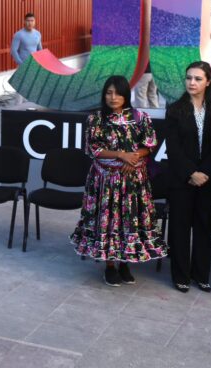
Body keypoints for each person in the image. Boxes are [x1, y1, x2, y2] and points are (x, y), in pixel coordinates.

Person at [70, 75, 167, 286]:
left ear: (126, 95)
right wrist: (121, 155)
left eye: (118, 93)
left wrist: (133, 159)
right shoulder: (96, 119)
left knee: (128, 221)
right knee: (109, 222)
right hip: (105, 183)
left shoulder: (140, 117)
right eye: (109, 92)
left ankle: (125, 262)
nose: (113, 97)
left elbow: (149, 145)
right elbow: (93, 149)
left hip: (134, 182)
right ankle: (110, 266)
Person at [165, 61, 211, 293]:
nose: (192, 82)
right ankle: (180, 275)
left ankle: (201, 275)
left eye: (198, 79)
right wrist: (191, 173)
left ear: (208, 81)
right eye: (189, 77)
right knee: (180, 229)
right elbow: (173, 148)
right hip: (182, 180)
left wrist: (206, 173)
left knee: (203, 228)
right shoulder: (175, 109)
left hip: (209, 181)